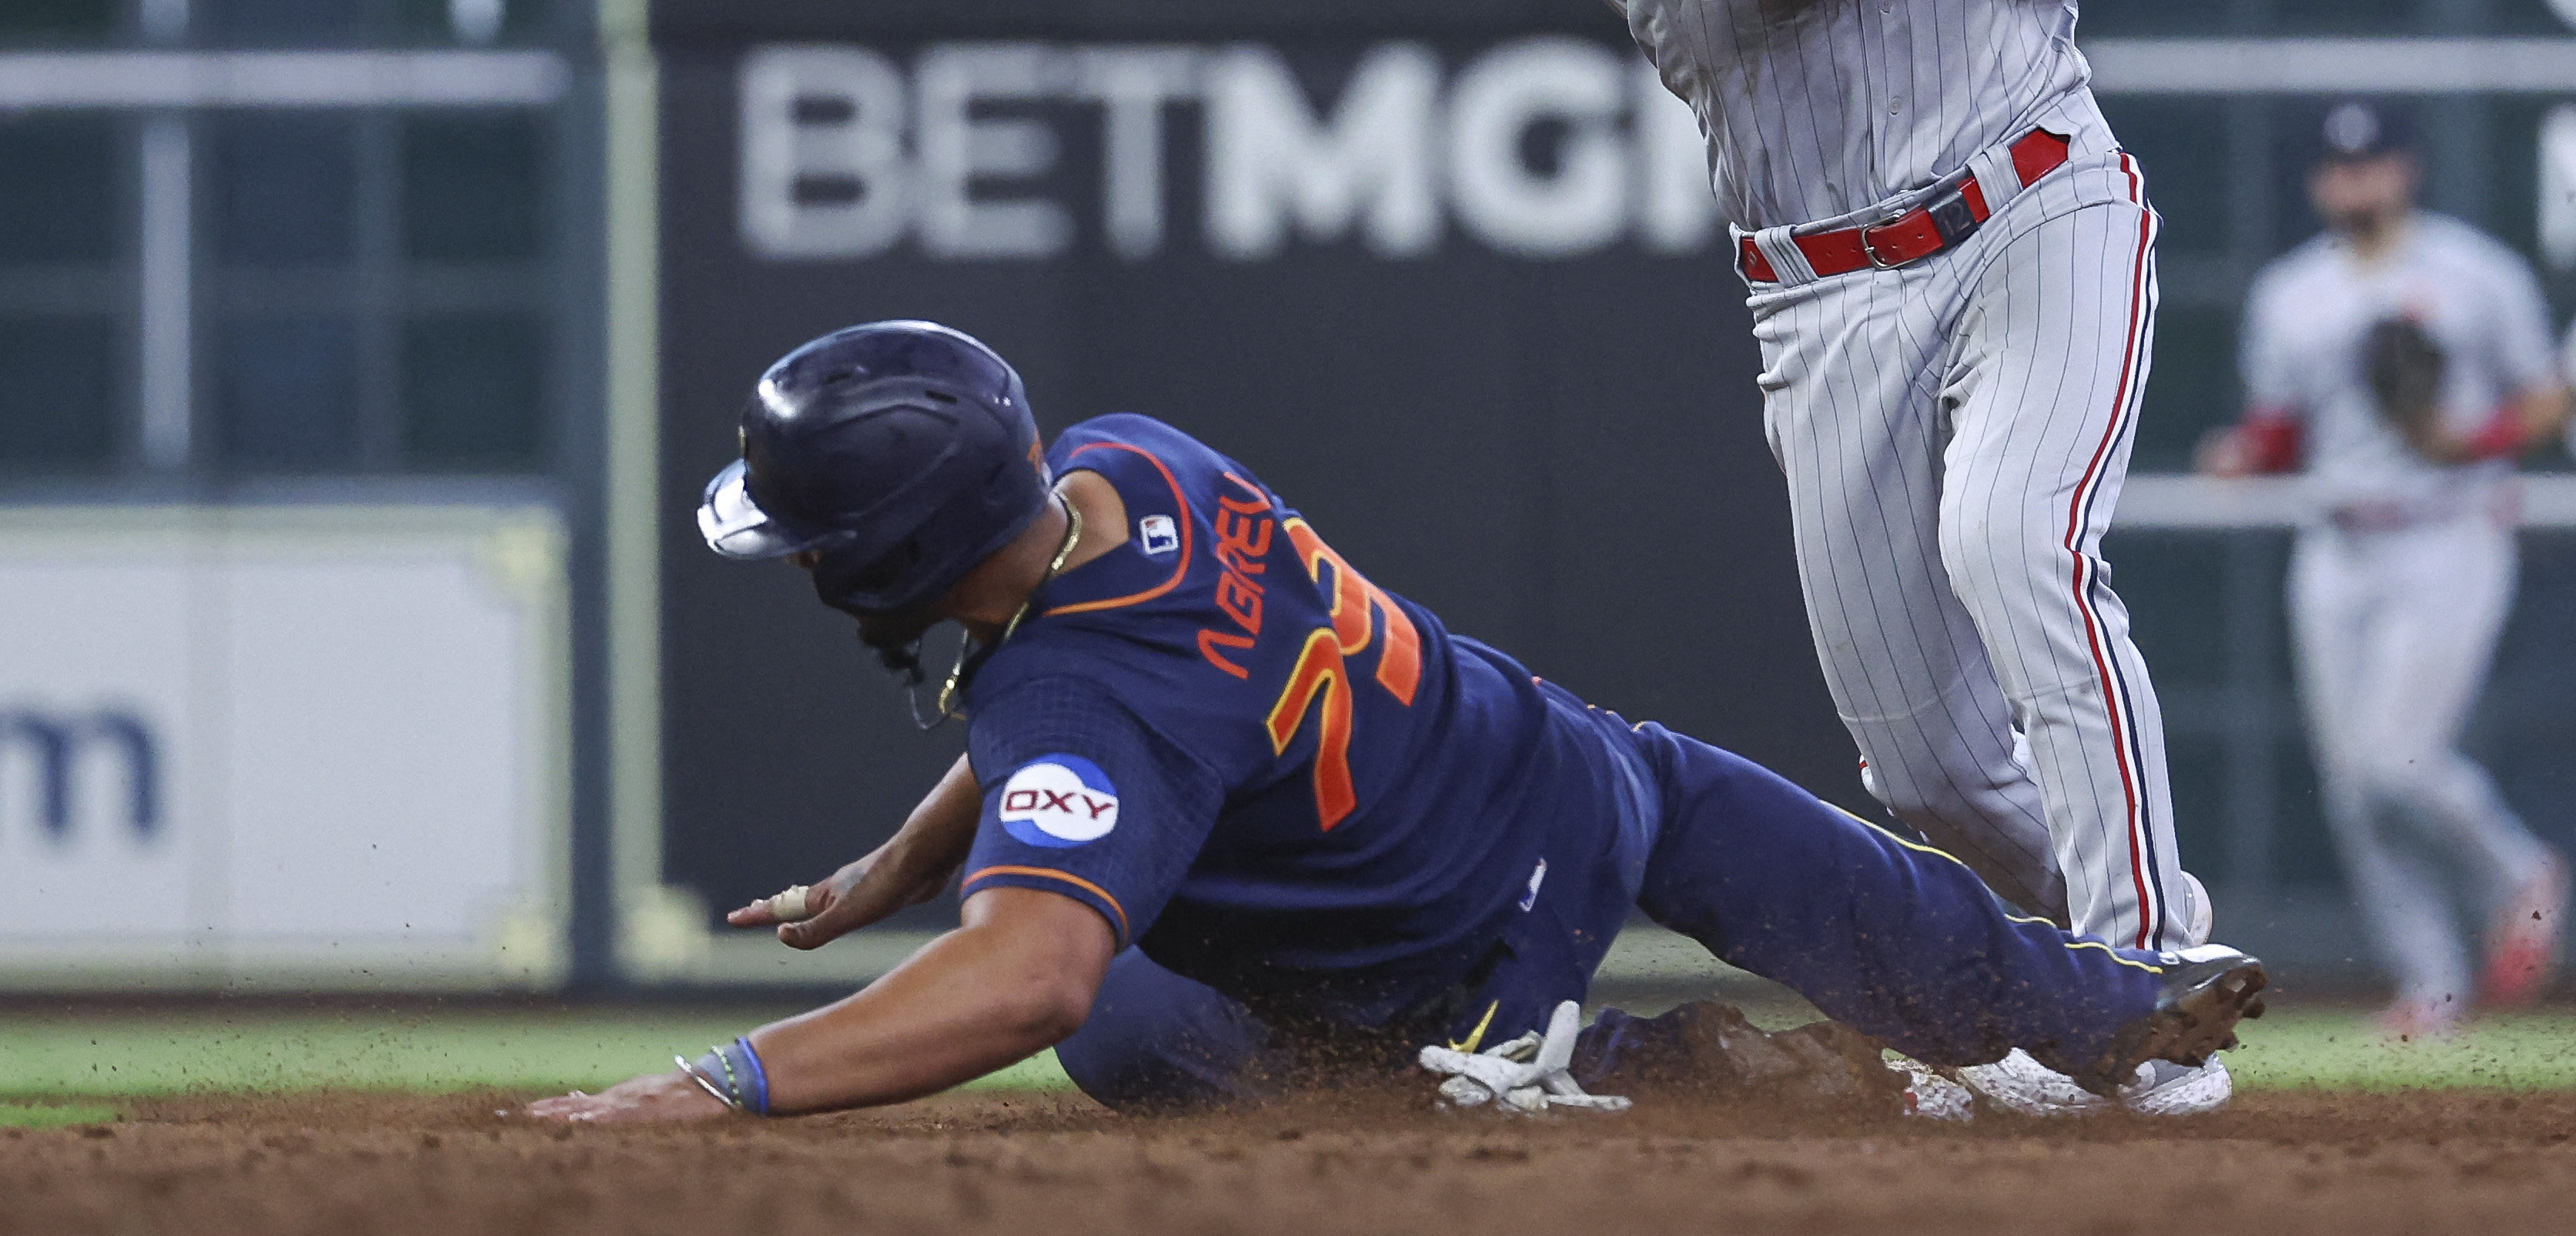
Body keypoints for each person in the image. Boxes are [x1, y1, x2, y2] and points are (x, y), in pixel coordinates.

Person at [1183, 0, 2213, 1117]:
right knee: (1923, 754)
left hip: (2042, 196)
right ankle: (2049, 993)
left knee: (2013, 535)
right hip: (1824, 284)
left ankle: (2146, 983)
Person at [527, 322, 2266, 1124]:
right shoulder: (1124, 461)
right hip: (1576, 773)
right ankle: (2104, 1012)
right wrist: (904, 856)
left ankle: (1598, 1064)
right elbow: (1066, 718)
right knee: (1829, 879)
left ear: (882, 562)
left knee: (1121, 1028)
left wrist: (720, 1081)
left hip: (1432, 958)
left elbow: (1030, 964)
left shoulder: (1084, 700)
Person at [2198, 103, 2576, 1040]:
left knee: (2394, 760)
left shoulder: (2473, 274)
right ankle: (2432, 987)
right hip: (2337, 542)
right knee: (2352, 786)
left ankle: (2518, 872)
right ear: (2319, 182)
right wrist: (2249, 452)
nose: (2355, 183)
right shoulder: (2292, 292)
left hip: (2446, 534)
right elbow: (2286, 424)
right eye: (2338, 168)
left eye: (2371, 166)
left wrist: (2470, 439)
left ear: (2404, 170)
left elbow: (2553, 400)